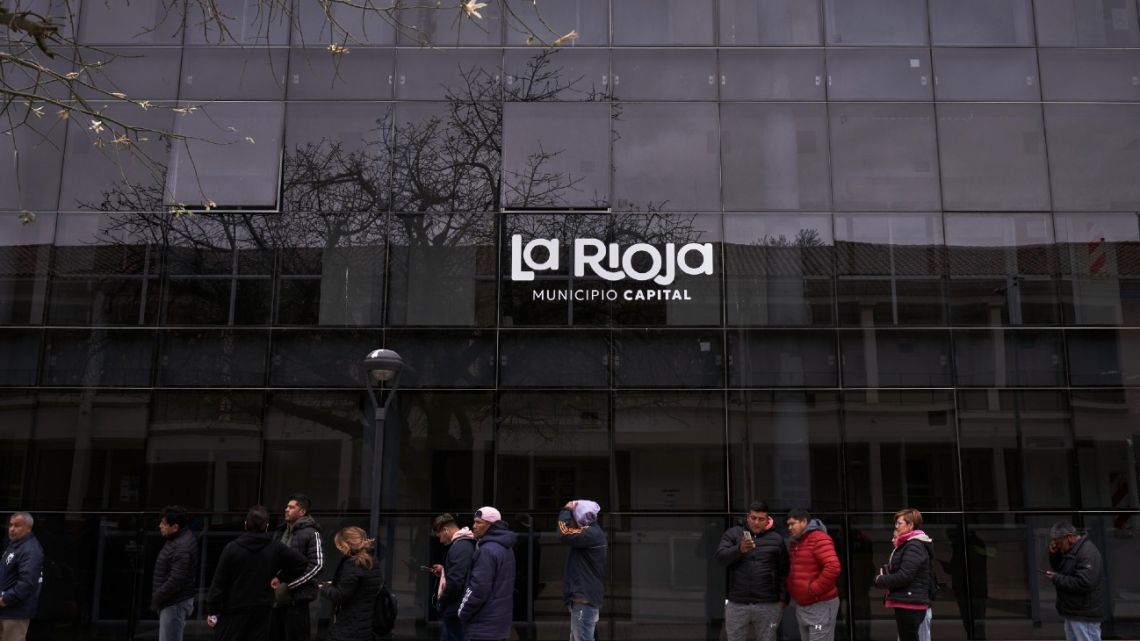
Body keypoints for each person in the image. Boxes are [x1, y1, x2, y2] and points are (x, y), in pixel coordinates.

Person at [206, 506, 308, 641]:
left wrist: (213, 611)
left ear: (245, 524)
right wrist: (281, 577)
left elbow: (218, 583)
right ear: (266, 526)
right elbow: (301, 563)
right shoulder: (275, 547)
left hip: (234, 614)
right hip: (263, 614)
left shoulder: (232, 548)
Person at [715, 501, 788, 641]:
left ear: (767, 519)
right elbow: (720, 558)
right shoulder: (733, 533)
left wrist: (783, 600)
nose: (756, 522)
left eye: (761, 519)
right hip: (737, 603)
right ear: (747, 517)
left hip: (768, 604)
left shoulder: (776, 539)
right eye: (753, 518)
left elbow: (784, 571)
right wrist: (739, 549)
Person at [873, 508, 933, 641]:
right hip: (908, 601)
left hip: (910, 603)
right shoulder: (909, 545)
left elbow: (905, 576)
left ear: (910, 525)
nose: (896, 527)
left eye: (899, 523)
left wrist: (881, 580)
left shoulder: (913, 545)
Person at [458, 506, 517, 641]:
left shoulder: (486, 551)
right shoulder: (506, 548)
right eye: (474, 522)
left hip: (483, 626)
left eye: (479, 522)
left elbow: (478, 589)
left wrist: (462, 611)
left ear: (491, 525)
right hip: (498, 624)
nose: (474, 526)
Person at [271, 494, 324, 641]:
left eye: (291, 507)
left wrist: (291, 585)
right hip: (276, 601)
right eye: (286, 506)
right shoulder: (281, 531)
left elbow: (317, 565)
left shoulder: (311, 533)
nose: (286, 509)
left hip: (296, 602)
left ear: (302, 512)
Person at [318, 527, 383, 641]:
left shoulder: (353, 564)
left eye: (340, 546)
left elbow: (341, 595)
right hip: (364, 624)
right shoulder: (371, 561)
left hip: (348, 627)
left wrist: (324, 587)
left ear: (347, 544)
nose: (340, 550)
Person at [786, 509, 842, 641]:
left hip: (820, 604)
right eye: (788, 525)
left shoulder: (818, 538)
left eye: (792, 524)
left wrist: (813, 589)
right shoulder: (796, 542)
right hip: (804, 605)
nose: (789, 528)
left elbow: (833, 567)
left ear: (804, 522)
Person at [1043, 521, 1103, 641]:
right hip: (1074, 611)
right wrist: (1055, 554)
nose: (1058, 546)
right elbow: (1061, 568)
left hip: (1083, 613)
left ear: (1070, 537)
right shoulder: (1073, 550)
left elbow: (1084, 583)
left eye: (1059, 543)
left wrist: (1056, 578)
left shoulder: (1087, 553)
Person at [557, 500, 607, 641]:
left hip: (583, 598)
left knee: (582, 637)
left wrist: (566, 510)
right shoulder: (591, 533)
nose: (571, 519)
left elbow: (563, 533)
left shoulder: (590, 534)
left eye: (573, 515)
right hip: (583, 596)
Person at [151, 506, 199, 641]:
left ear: (175, 527)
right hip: (173, 601)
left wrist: (157, 597)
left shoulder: (181, 547)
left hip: (174, 603)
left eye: (164, 524)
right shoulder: (179, 539)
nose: (160, 526)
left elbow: (176, 580)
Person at [430, 513, 476, 641]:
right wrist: (444, 571)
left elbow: (456, 581)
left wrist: (442, 602)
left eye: (439, 535)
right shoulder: (464, 545)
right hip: (458, 608)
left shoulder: (461, 546)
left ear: (445, 530)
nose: (439, 540)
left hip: (455, 609)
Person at [0, 512, 44, 641]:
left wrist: (5, 600)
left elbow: (27, 583)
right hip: (6, 611)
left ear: (28, 528)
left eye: (17, 525)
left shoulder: (30, 550)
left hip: (15, 613)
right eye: (10, 525)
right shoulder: (14, 545)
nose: (12, 529)